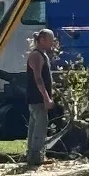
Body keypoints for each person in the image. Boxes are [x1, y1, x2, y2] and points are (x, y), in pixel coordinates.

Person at [25, 28, 55, 168]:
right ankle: (36, 157)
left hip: (37, 98)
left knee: (34, 126)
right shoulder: (36, 55)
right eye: (51, 40)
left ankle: (32, 155)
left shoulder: (43, 54)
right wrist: (46, 98)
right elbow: (38, 78)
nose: (53, 43)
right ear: (42, 40)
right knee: (40, 127)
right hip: (37, 98)